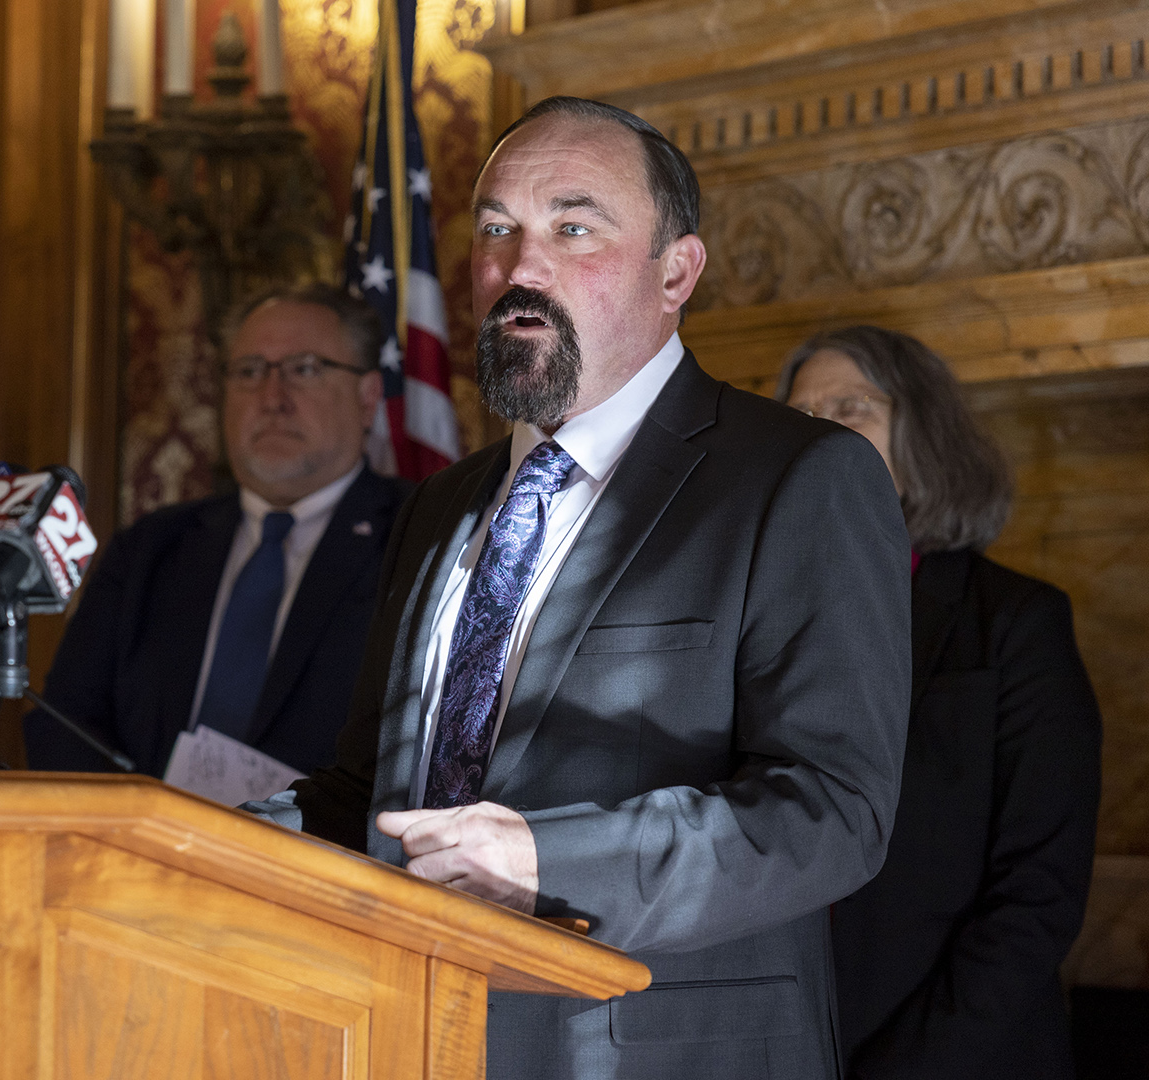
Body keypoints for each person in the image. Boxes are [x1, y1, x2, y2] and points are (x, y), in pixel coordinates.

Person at [249, 96, 911, 1080]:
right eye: (497, 229)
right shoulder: (438, 508)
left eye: (573, 226)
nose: (521, 267)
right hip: (403, 1034)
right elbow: (376, 792)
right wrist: (208, 838)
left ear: (677, 270)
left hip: (655, 1051)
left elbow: (831, 812)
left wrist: (542, 861)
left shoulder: (799, 478)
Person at [777, 325, 1101, 1080]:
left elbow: (1037, 897)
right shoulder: (757, 625)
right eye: (801, 415)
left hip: (960, 1057)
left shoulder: (1017, 623)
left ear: (923, 435)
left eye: (850, 408)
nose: (818, 431)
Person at [23, 284, 412, 783]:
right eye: (250, 371)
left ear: (367, 397)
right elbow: (65, 723)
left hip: (324, 855)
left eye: (305, 370)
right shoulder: (149, 549)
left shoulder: (417, 538)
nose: (273, 398)